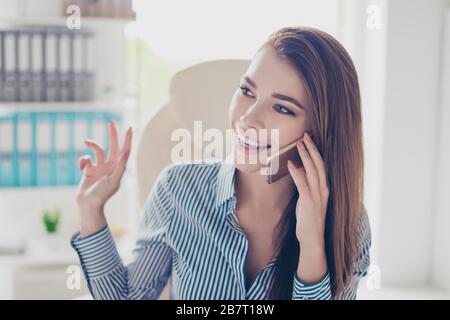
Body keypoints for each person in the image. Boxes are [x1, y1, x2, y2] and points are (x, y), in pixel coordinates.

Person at [71, 26, 371, 300]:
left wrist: (312, 245)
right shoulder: (178, 190)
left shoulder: (348, 222)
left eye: (281, 107)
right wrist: (91, 208)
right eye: (246, 91)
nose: (248, 118)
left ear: (322, 130)